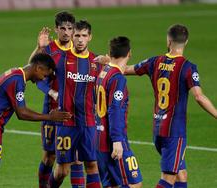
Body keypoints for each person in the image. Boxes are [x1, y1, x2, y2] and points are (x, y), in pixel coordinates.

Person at [124, 24, 217, 188]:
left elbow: (125, 69)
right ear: (186, 41)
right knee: (168, 178)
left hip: (158, 129)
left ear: (168, 40)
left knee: (181, 175)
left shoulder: (154, 61)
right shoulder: (188, 67)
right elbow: (199, 97)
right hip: (174, 132)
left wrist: (108, 62)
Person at [0, 53, 71, 188]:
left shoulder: (16, 74)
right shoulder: (17, 80)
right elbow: (22, 113)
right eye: (45, 75)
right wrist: (49, 117)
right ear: (38, 68)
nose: (43, 79)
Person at [30, 11, 85, 188]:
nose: (67, 33)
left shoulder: (78, 48)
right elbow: (34, 75)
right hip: (52, 111)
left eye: (70, 28)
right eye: (63, 28)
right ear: (57, 29)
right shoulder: (49, 50)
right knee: (49, 157)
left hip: (74, 112)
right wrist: (52, 93)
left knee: (76, 159)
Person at [47, 20, 102, 187]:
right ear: (72, 36)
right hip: (66, 122)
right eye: (77, 35)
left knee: (92, 165)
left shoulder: (97, 62)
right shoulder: (59, 59)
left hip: (89, 122)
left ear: (89, 37)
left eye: (84, 36)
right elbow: (38, 74)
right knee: (62, 170)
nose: (80, 39)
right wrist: (52, 92)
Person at [96, 36, 143, 188]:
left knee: (111, 185)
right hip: (113, 140)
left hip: (98, 139)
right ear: (130, 53)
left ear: (109, 53)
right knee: (134, 183)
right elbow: (114, 109)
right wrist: (117, 140)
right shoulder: (118, 79)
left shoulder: (104, 72)